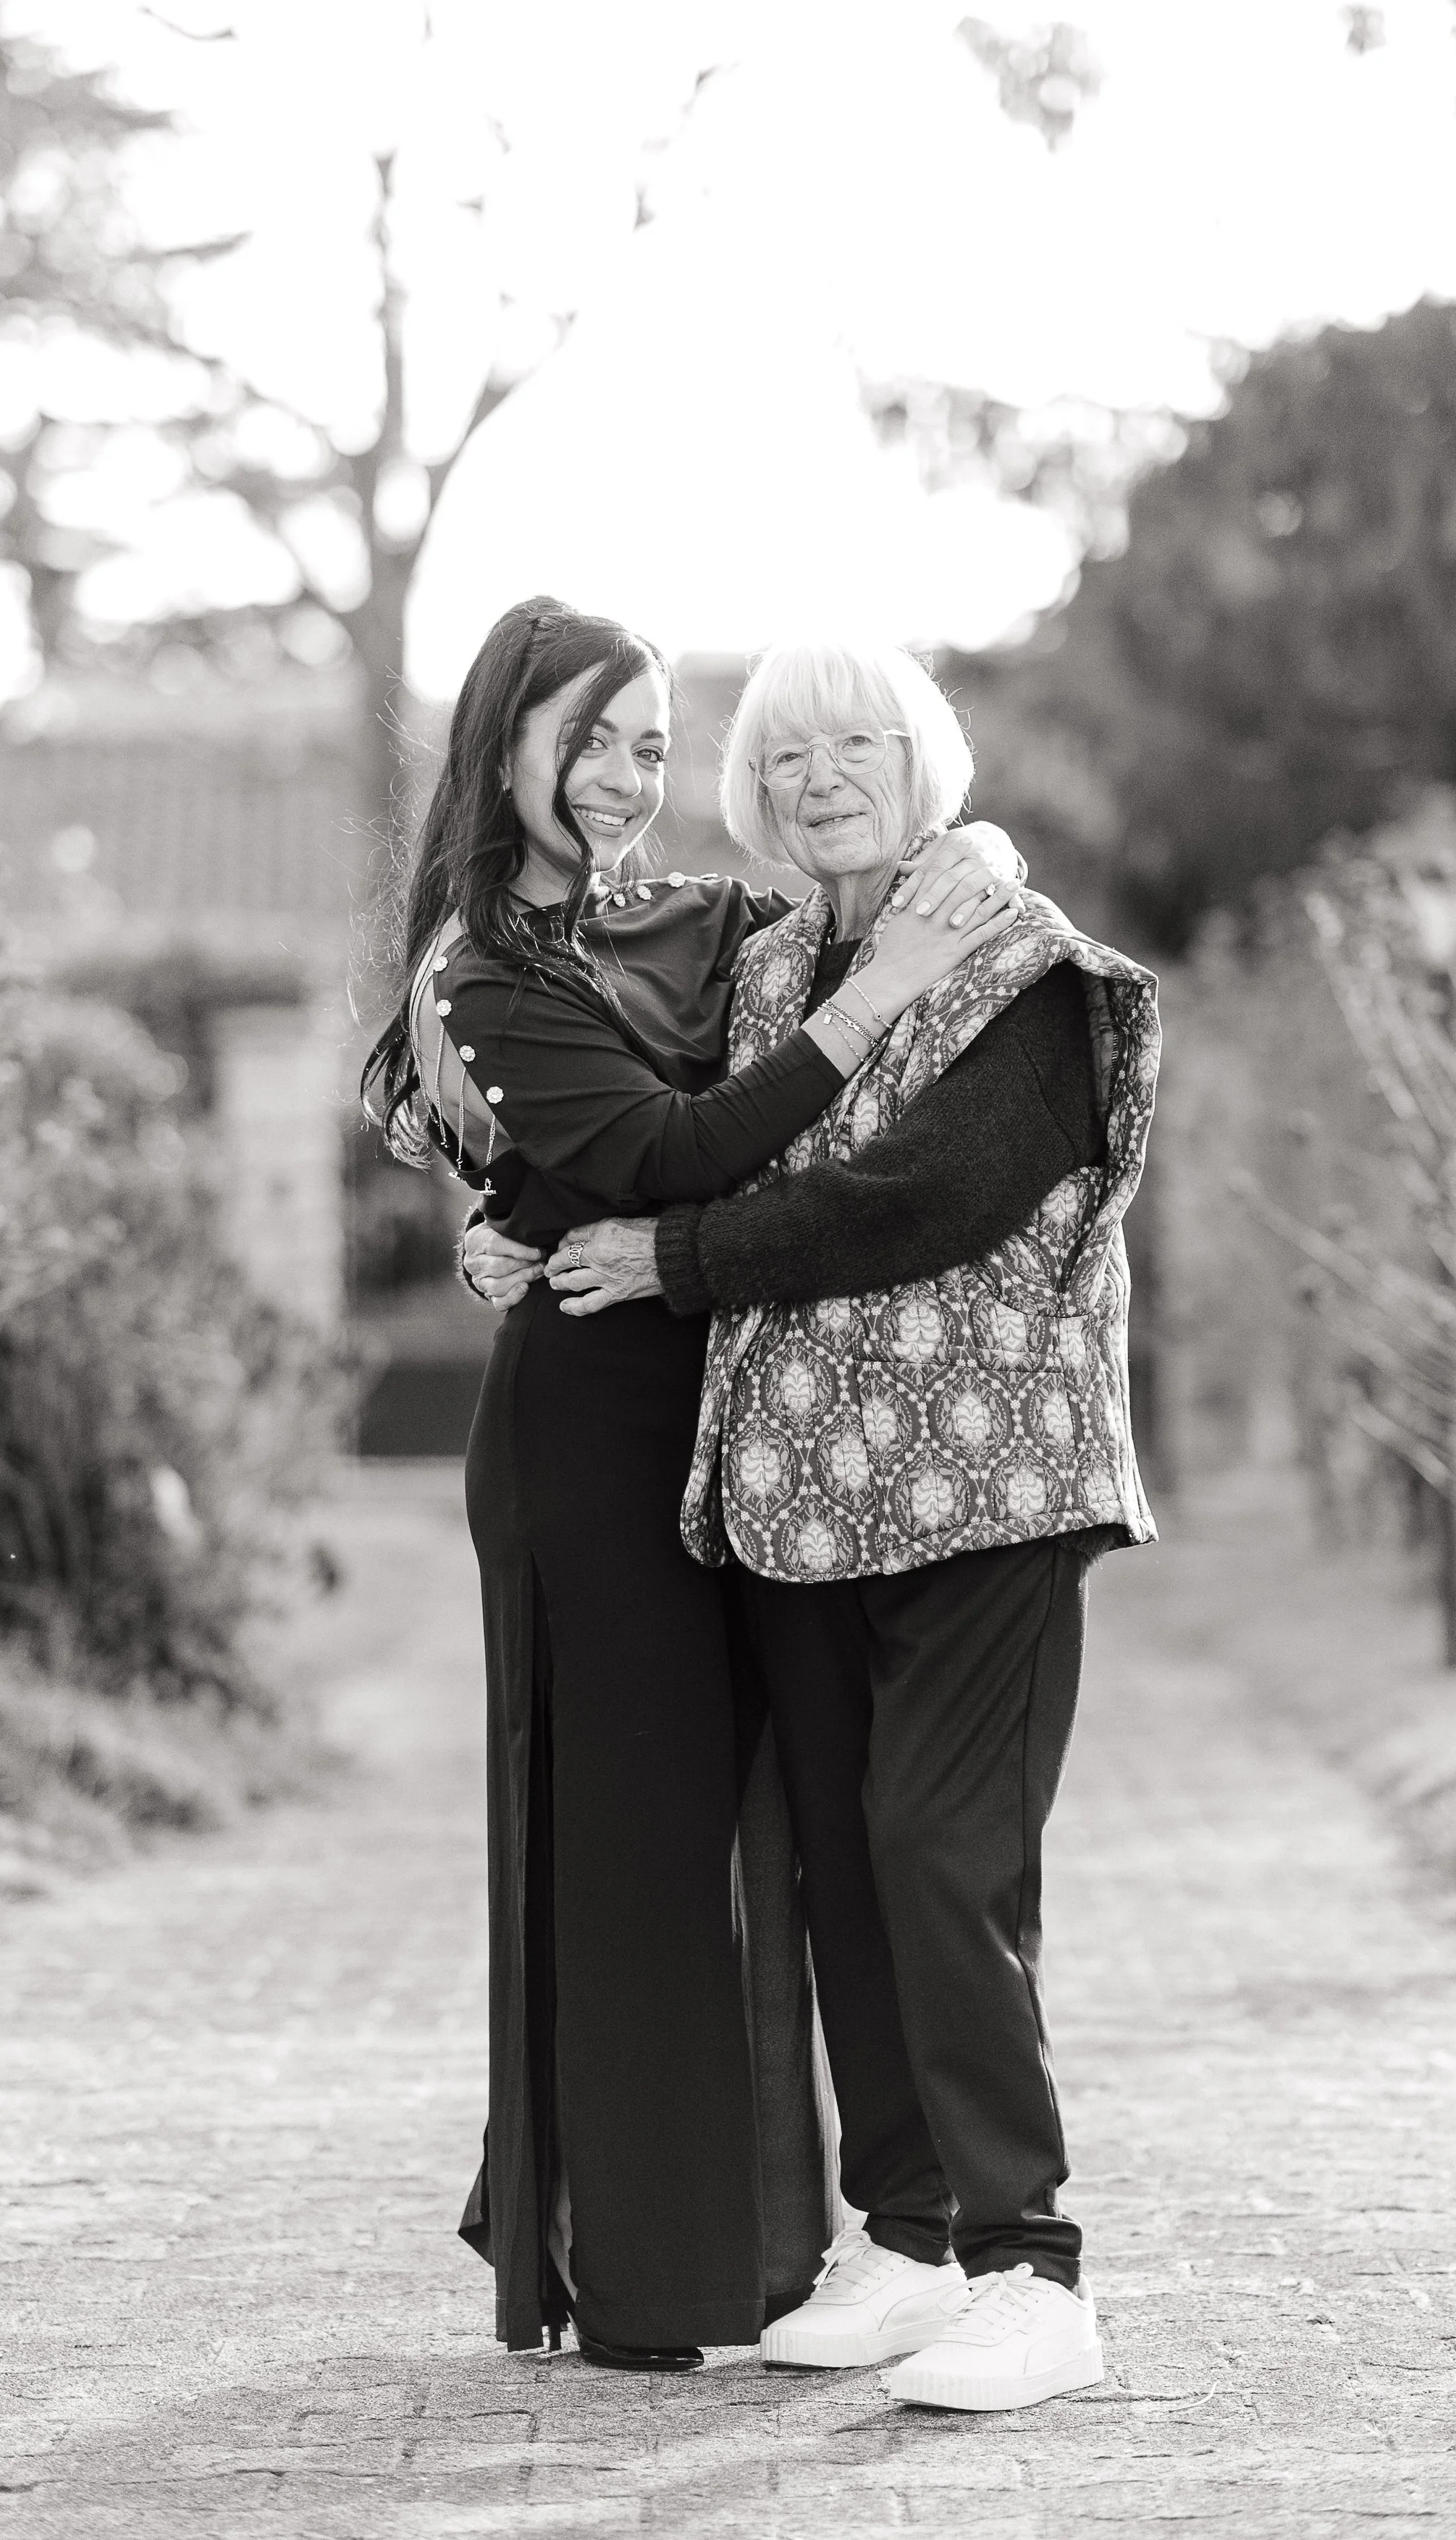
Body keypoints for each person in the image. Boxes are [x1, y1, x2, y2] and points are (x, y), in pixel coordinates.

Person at [467, 636, 1161, 2414]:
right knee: (841, 1864)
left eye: (859, 744)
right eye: (784, 757)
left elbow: (923, 1194)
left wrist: (678, 1259)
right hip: (796, 1496)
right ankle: (911, 2236)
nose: (819, 776)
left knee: (938, 1850)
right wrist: (506, 1216)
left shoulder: (1027, 961)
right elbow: (646, 1124)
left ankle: (1033, 2266)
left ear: (931, 768)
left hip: (990, 1488)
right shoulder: (767, 957)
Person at [363, 598, 1023, 2373]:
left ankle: (825, 2250)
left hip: (758, 1419)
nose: (618, 777)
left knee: (798, 1837)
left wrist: (527, 1215)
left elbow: (884, 867)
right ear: (505, 739)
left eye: (649, 744)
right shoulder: (479, 966)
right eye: (587, 737)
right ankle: (644, 2274)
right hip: (594, 1433)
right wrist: (575, 1209)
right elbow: (662, 1145)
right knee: (645, 1852)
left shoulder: (703, 918)